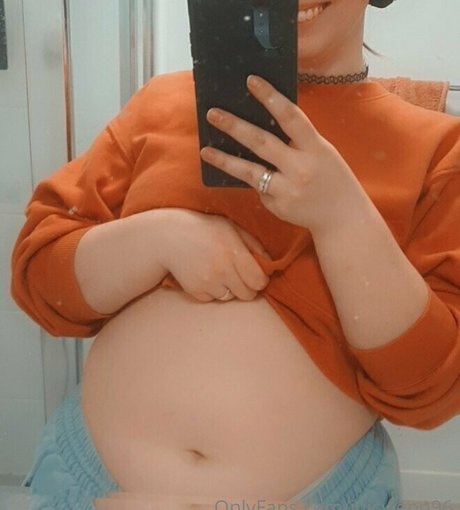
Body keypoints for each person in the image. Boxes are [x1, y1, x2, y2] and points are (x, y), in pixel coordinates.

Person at [10, 0, 460, 508]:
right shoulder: (161, 103)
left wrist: (342, 216)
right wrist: (159, 238)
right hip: (86, 481)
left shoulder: (439, 149)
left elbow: (428, 390)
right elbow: (39, 277)